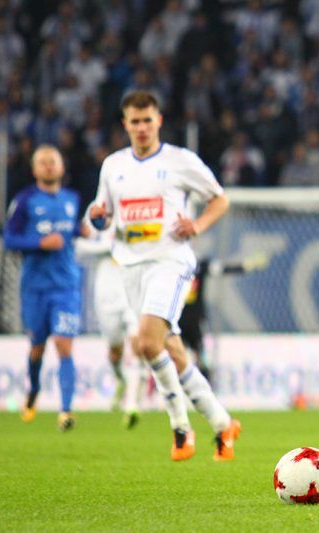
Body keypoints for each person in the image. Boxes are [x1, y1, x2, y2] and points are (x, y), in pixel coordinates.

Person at [88, 90, 240, 461]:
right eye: (134, 121)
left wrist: (197, 225)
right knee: (168, 347)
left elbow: (220, 199)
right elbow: (104, 212)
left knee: (145, 342)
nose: (141, 127)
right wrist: (99, 217)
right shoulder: (113, 165)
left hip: (170, 261)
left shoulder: (179, 161)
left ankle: (180, 429)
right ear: (125, 124)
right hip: (130, 265)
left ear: (158, 121)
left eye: (147, 120)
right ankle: (222, 423)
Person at [3, 145, 83, 431]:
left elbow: (72, 230)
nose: (49, 166)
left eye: (53, 161)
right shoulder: (25, 200)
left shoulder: (72, 199)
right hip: (35, 288)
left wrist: (84, 229)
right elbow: (9, 239)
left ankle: (66, 410)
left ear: (62, 167)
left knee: (64, 344)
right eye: (43, 162)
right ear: (34, 169)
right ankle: (34, 389)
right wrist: (39, 243)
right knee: (37, 347)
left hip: (66, 287)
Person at [74, 226, 146, 428]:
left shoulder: (136, 216)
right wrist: (111, 246)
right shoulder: (96, 217)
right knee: (115, 351)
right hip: (106, 296)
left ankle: (132, 404)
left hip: (133, 291)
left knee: (137, 344)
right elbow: (79, 248)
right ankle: (121, 379)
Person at [179, 253, 269, 382]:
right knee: (181, 355)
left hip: (192, 319)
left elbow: (222, 269)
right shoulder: (177, 264)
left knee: (199, 355)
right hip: (180, 319)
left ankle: (204, 386)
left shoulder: (199, 265)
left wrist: (245, 266)